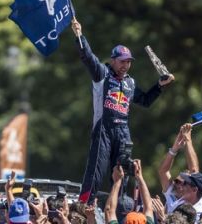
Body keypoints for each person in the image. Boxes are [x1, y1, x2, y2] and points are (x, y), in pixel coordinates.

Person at [71, 19, 175, 204]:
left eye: (128, 62)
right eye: (122, 61)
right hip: (103, 130)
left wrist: (159, 86)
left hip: (123, 132)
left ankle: (120, 210)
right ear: (113, 60)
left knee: (122, 175)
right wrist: (79, 36)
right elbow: (87, 57)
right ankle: (82, 207)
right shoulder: (101, 74)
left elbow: (145, 101)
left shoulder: (130, 82)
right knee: (96, 172)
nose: (125, 65)